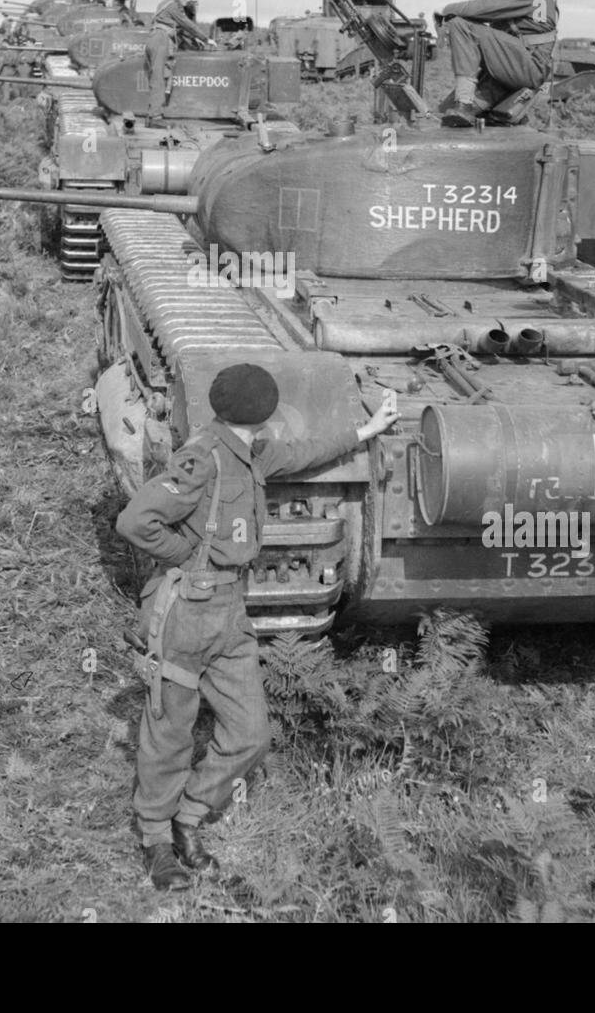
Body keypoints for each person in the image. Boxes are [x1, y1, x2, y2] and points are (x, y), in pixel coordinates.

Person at [116, 363, 399, 891]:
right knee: (169, 733)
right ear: (261, 408)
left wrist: (365, 430)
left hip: (229, 616)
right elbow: (135, 521)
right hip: (185, 614)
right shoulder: (201, 458)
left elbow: (303, 452)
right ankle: (156, 841)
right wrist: (188, 556)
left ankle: (190, 817)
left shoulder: (253, 451)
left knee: (251, 735)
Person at [437, 0, 558, 127]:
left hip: (526, 66)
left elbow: (482, 7)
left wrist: (445, 10)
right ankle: (469, 108)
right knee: (443, 116)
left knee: (460, 23)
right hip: (511, 66)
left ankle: (465, 102)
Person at [144, 0, 215, 119]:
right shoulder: (173, 6)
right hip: (161, 39)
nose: (188, 0)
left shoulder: (167, 2)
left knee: (160, 75)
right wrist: (206, 39)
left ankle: (155, 111)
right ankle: (155, 116)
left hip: (156, 38)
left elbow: (180, 27)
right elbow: (187, 24)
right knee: (158, 77)